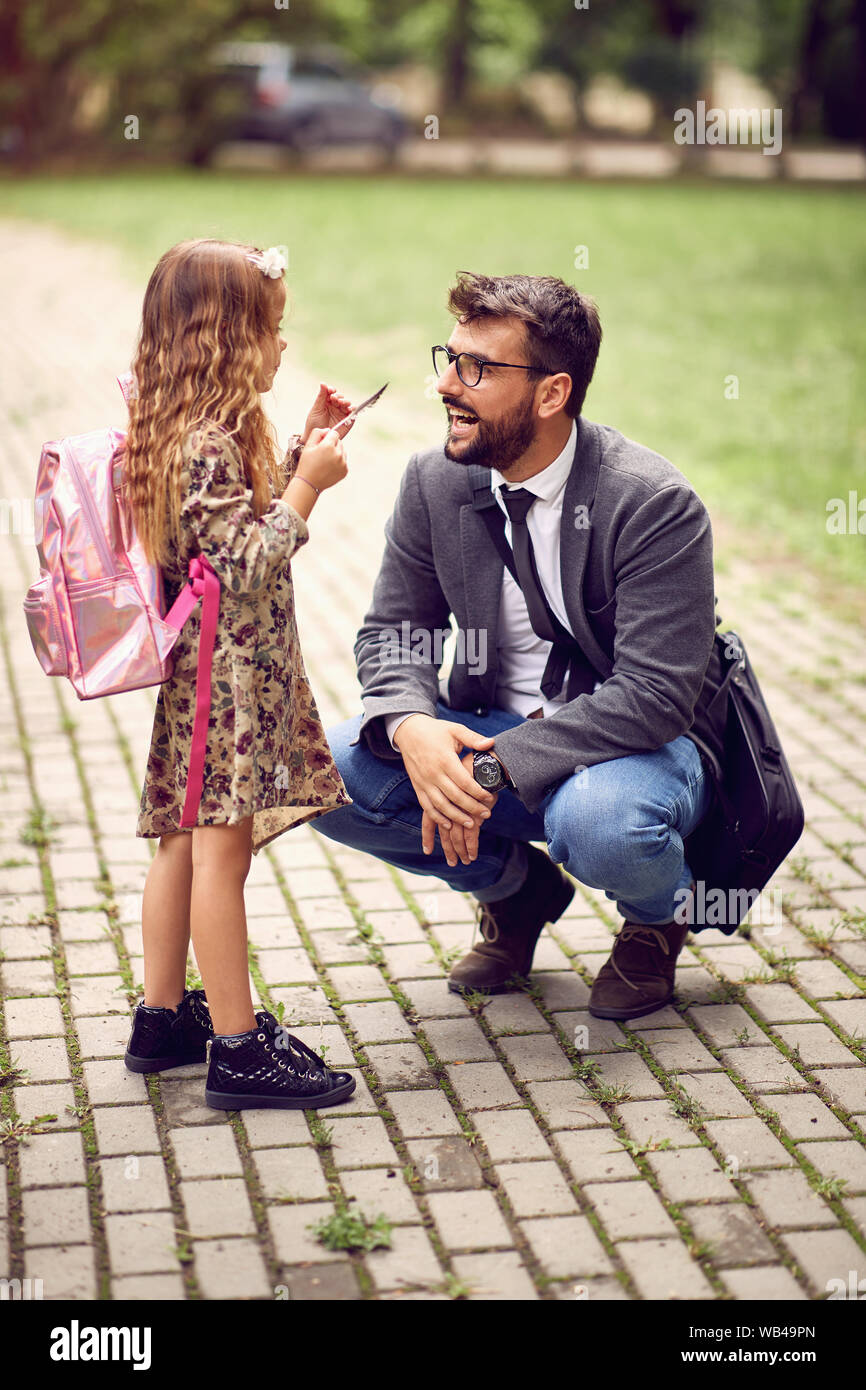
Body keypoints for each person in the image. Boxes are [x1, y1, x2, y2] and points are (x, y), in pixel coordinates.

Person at [312, 271, 728, 1020]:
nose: (446, 383)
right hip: (489, 730)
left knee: (601, 825)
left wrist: (497, 770)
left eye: (478, 368)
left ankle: (656, 919)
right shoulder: (436, 481)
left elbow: (655, 696)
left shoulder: (653, 503)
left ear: (550, 394)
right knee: (318, 769)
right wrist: (412, 727)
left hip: (635, 749)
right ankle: (518, 892)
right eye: (450, 356)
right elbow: (394, 630)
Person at [123, 238, 357, 1109]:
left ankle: (161, 1020)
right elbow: (248, 561)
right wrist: (310, 492)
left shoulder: (183, 429)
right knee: (221, 857)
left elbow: (220, 539)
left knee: (183, 845)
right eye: (273, 327)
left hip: (203, 682)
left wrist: (301, 452)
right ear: (223, 337)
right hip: (225, 686)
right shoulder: (206, 443)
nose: (284, 346)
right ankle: (237, 1046)